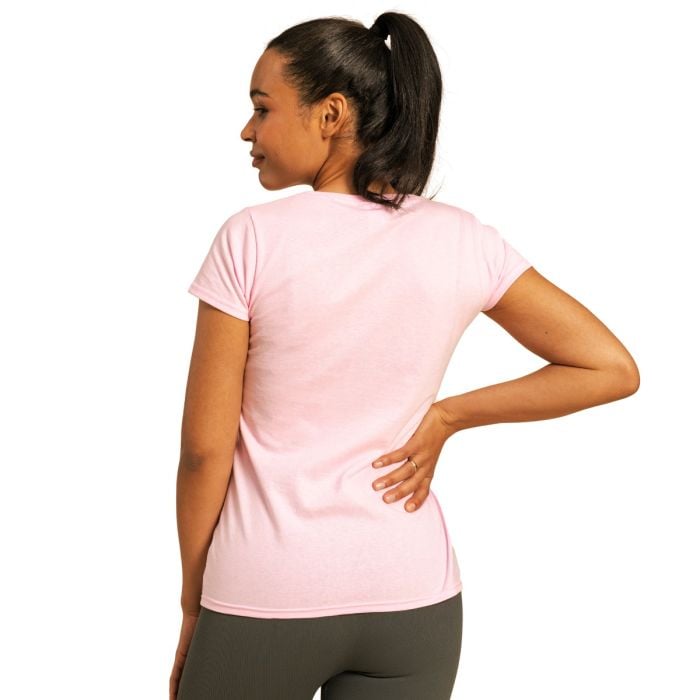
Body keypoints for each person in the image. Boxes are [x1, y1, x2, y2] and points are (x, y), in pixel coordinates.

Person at [170, 11, 640, 700]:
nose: (248, 130)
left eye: (262, 108)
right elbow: (609, 367)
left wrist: (194, 601)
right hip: (414, 601)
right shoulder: (462, 239)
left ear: (330, 114)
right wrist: (447, 416)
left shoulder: (251, 239)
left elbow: (203, 452)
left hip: (267, 593)